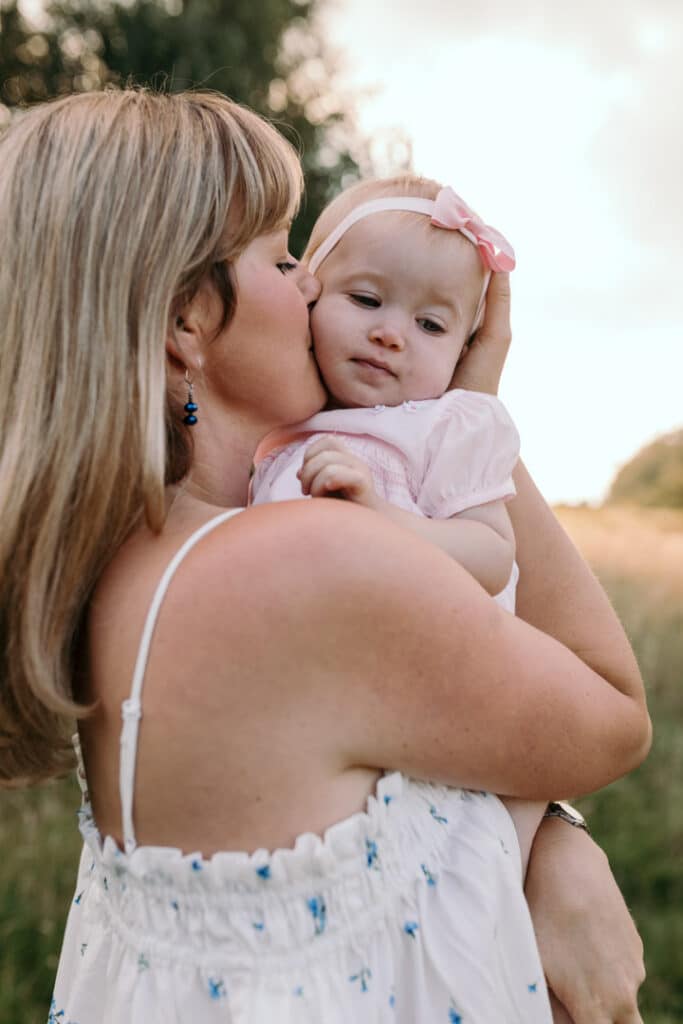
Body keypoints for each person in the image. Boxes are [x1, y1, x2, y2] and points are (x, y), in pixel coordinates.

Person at [0, 89, 649, 1024]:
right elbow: (612, 713)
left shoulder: (133, 563)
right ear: (187, 319)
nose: (309, 285)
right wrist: (458, 413)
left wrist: (550, 839)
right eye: (282, 255)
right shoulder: (301, 560)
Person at [250, 174, 550, 878]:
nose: (390, 334)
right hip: (335, 728)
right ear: (309, 292)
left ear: (465, 350)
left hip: (451, 693)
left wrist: (383, 519)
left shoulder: (446, 426)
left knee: (472, 878)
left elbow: (490, 557)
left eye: (431, 325)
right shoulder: (283, 420)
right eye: (365, 300)